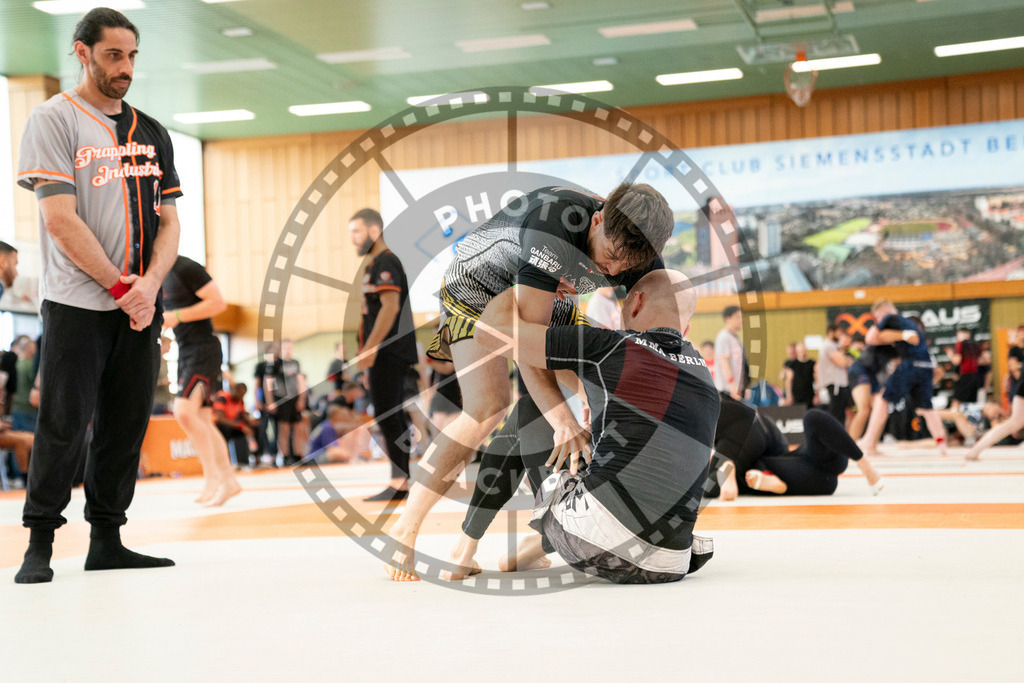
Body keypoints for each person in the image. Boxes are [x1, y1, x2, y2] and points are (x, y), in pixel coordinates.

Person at [386, 182, 673, 581]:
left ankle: (523, 541)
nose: (611, 272)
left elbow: (654, 326)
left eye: (623, 268)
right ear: (596, 221)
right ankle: (405, 528)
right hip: (478, 289)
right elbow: (525, 342)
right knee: (488, 407)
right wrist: (563, 420)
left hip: (547, 293)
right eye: (609, 258)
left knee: (597, 390)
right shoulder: (552, 231)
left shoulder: (638, 247)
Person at [14, 8, 181, 583]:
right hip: (78, 303)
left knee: (125, 425)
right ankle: (40, 542)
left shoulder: (151, 131)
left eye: (131, 56)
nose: (125, 67)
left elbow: (169, 222)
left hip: (140, 305)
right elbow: (60, 219)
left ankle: (107, 539)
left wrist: (149, 286)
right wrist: (118, 286)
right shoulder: (53, 119)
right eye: (113, 55)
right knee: (64, 423)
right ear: (82, 52)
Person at [459, 270, 718, 583]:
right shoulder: (704, 376)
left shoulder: (608, 345)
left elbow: (490, 332)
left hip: (597, 543)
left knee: (532, 409)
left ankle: (464, 549)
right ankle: (533, 547)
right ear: (685, 329)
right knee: (614, 463)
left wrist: (527, 288)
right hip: (671, 559)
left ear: (636, 302)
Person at [348, 208, 419, 501]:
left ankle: (400, 483)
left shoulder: (387, 261)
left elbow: (390, 308)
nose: (352, 238)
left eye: (356, 231)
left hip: (389, 351)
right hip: (382, 353)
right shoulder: (374, 264)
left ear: (374, 230)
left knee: (390, 415)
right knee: (387, 414)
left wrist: (370, 349)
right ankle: (399, 481)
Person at [162, 255, 241, 506]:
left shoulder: (184, 267)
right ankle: (227, 480)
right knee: (203, 419)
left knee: (184, 412)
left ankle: (213, 477)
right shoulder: (155, 272)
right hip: (185, 350)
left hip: (203, 348)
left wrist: (177, 315)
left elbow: (218, 303)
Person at [708, 393, 883, 498]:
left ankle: (738, 478)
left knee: (812, 418)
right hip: (809, 471)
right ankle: (865, 465)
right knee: (812, 417)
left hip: (811, 476)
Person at [859, 300, 947, 456]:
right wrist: (901, 336)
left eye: (877, 317)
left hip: (911, 365)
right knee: (926, 408)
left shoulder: (890, 318)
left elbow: (870, 338)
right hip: (926, 366)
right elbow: (910, 338)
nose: (878, 320)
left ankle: (869, 440)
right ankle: (942, 445)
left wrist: (898, 336)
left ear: (883, 312)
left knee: (883, 399)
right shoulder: (910, 323)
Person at [264, 338, 306, 466]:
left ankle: (298, 456)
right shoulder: (274, 364)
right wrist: (270, 401)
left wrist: (302, 398)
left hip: (294, 399)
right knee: (284, 429)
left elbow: (300, 381)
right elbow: (267, 382)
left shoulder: (295, 363)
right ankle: (285, 456)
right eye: (285, 348)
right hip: (281, 399)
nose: (288, 350)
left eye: (290, 347)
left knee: (298, 428)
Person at [212, 382, 258, 467]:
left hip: (232, 425)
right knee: (226, 429)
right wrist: (241, 426)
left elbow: (243, 416)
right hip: (218, 426)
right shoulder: (223, 397)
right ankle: (224, 462)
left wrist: (250, 422)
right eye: (240, 394)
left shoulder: (239, 400)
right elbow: (220, 418)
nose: (241, 397)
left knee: (253, 429)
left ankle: (247, 461)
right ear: (234, 390)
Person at [818, 325, 853, 423]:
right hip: (835, 385)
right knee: (837, 413)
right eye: (838, 333)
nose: (839, 336)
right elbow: (842, 362)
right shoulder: (828, 346)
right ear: (831, 332)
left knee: (843, 412)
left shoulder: (833, 346)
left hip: (839, 384)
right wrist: (846, 359)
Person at [714, 305, 746, 400]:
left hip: (736, 387)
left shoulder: (735, 337)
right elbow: (724, 362)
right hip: (728, 389)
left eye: (742, 317)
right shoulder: (724, 337)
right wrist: (732, 384)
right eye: (738, 317)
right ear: (728, 319)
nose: (741, 320)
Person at [946, 327, 983, 408]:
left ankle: (955, 415)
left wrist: (950, 355)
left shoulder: (960, 344)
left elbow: (956, 361)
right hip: (975, 376)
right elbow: (982, 360)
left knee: (957, 401)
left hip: (966, 376)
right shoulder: (976, 344)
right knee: (971, 403)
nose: (957, 336)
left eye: (959, 334)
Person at [783, 342, 815, 409]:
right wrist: (789, 396)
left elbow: (817, 378)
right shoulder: (792, 365)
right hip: (797, 396)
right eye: (800, 351)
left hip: (809, 395)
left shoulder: (812, 364)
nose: (803, 353)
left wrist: (817, 394)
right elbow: (788, 381)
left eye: (803, 350)